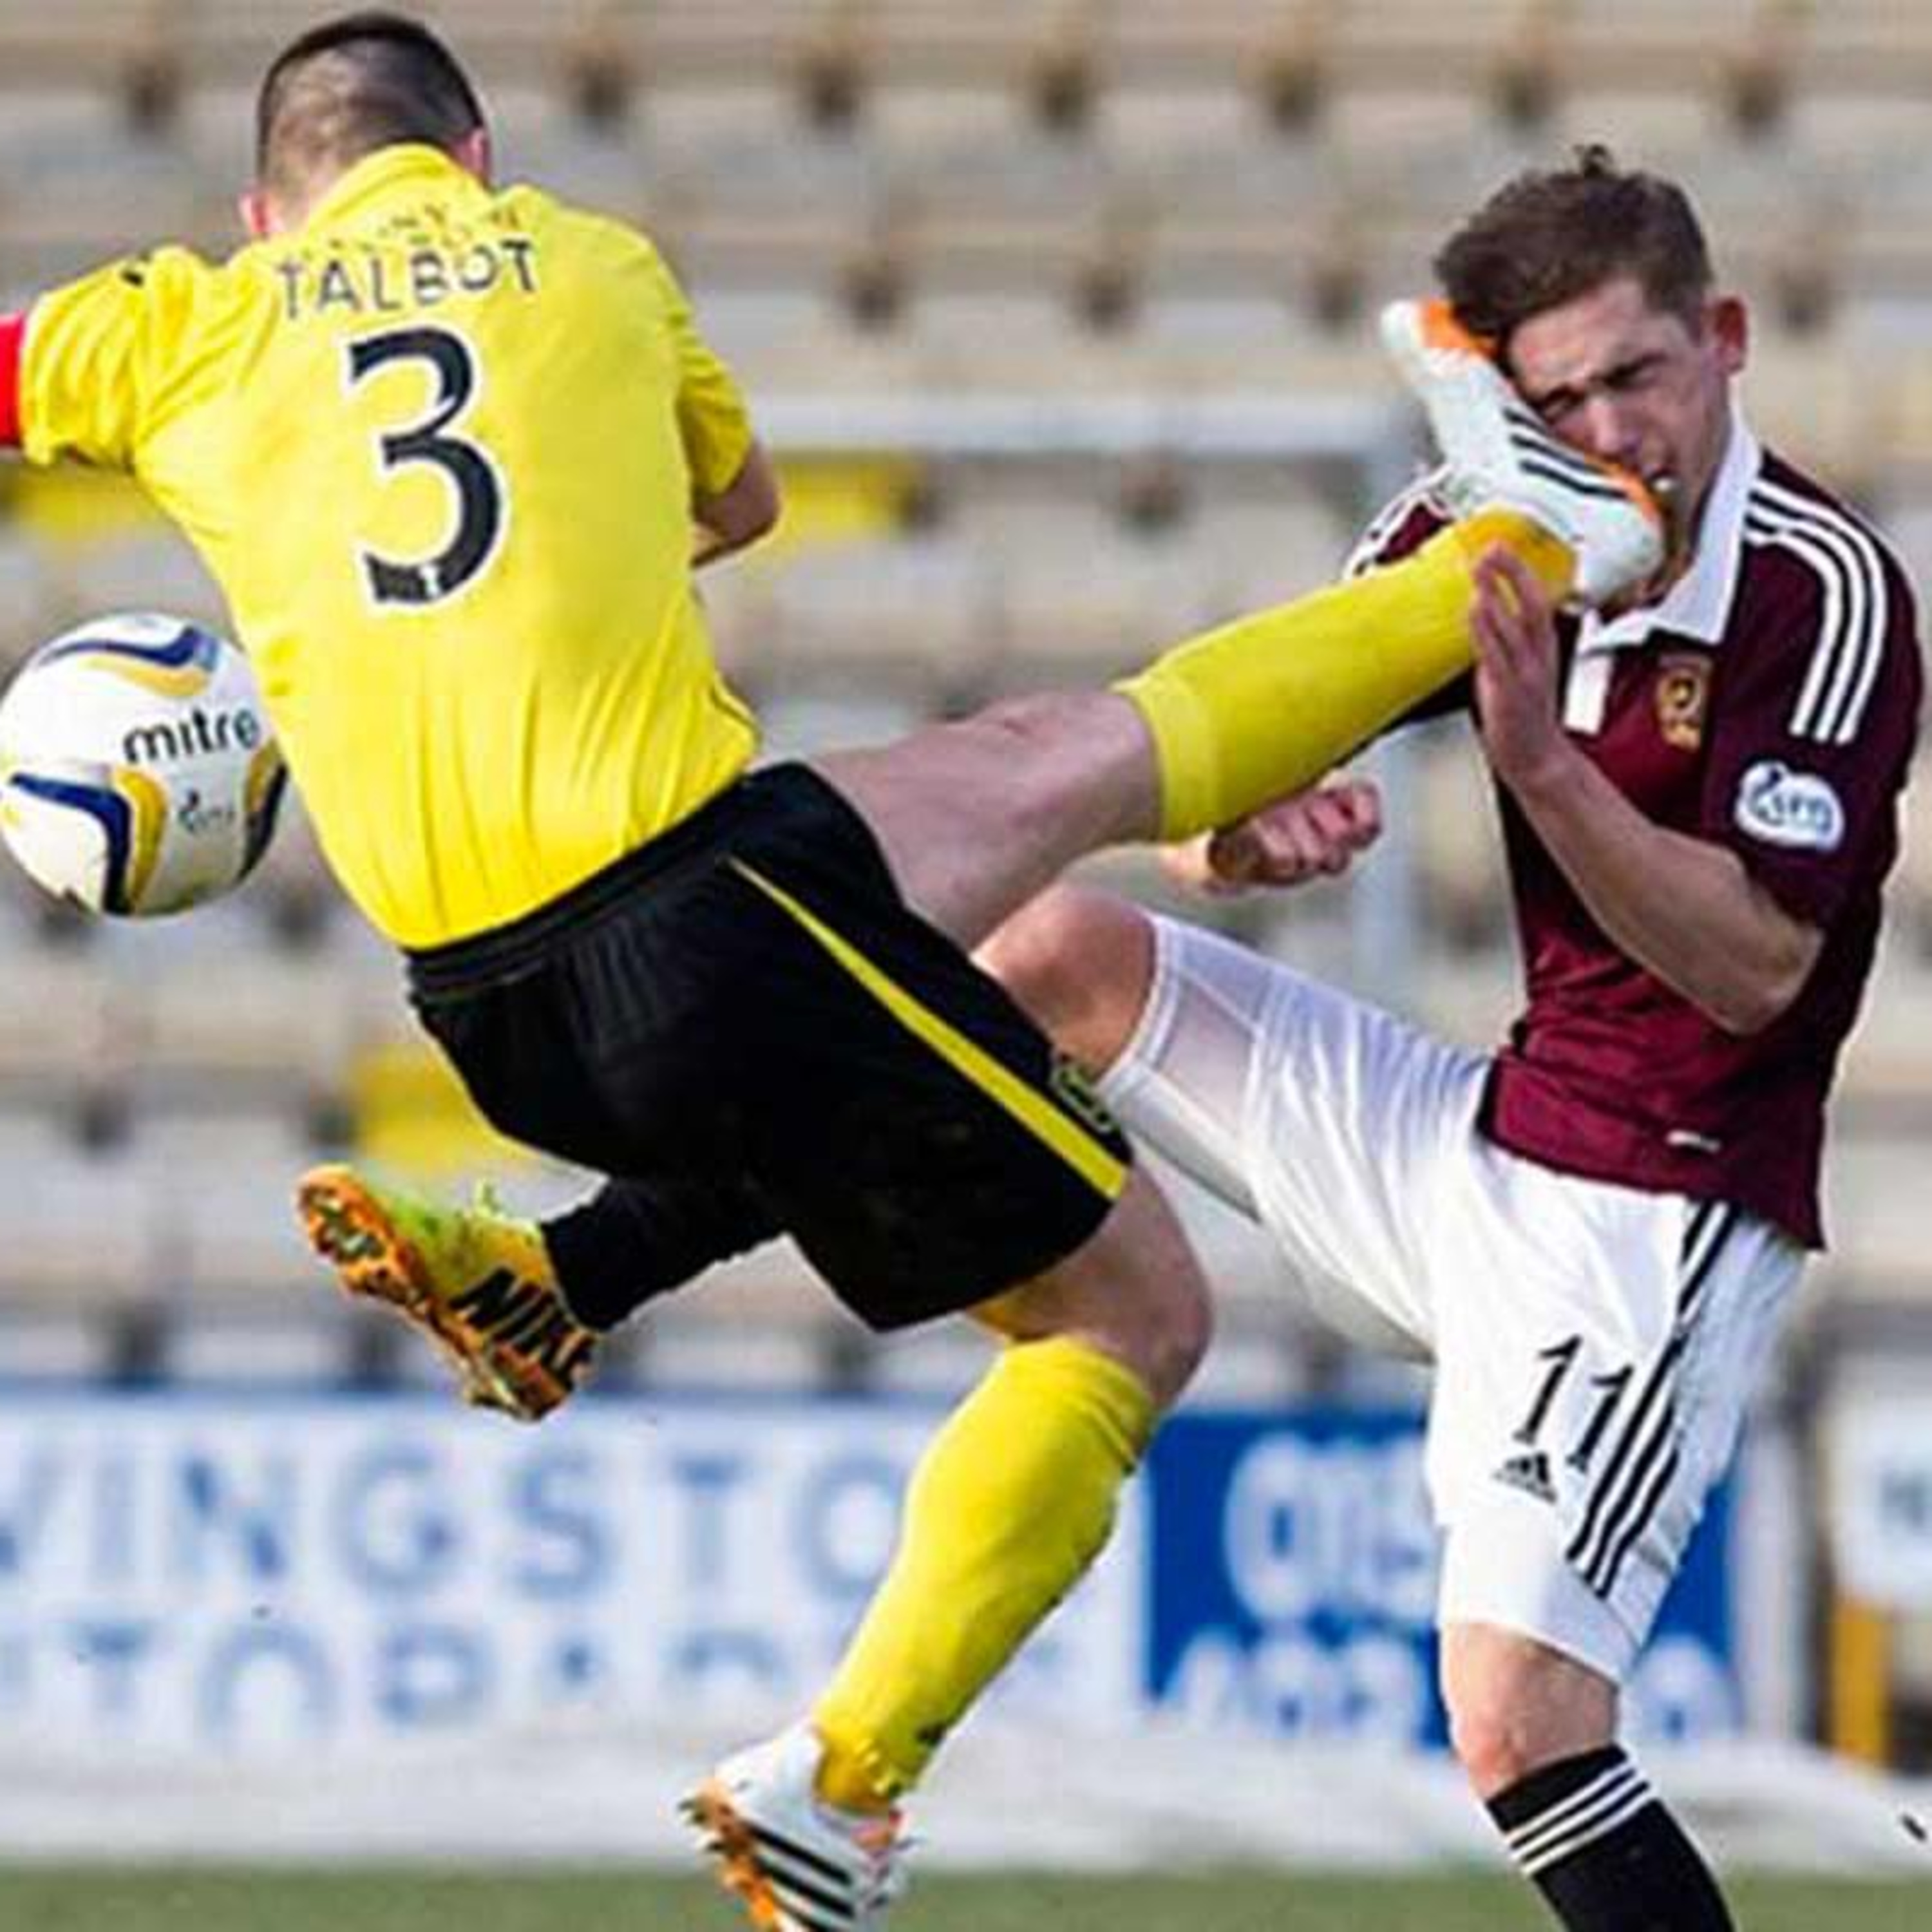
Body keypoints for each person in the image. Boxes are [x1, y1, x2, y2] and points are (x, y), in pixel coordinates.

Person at [0, 10, 1662, 1925]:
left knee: (1041, 775)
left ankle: (566, 1274)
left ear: (259, 213)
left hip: (486, 1001)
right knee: (1130, 1314)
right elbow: (741, 510)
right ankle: (847, 1778)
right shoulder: (587, 261)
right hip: (687, 917)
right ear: (473, 163)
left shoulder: (183, 325)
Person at [981, 150, 1924, 1932]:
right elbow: (1221, 791)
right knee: (1047, 954)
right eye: (1558, 403)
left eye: (1638, 374)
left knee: (1519, 1724)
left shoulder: (1822, 593)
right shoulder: (1486, 522)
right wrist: (1239, 839)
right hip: (1477, 1135)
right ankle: (608, 1266)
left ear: (1725, 338)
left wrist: (1545, 770)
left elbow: (1755, 971)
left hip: (1655, 1208)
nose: (1610, 435)